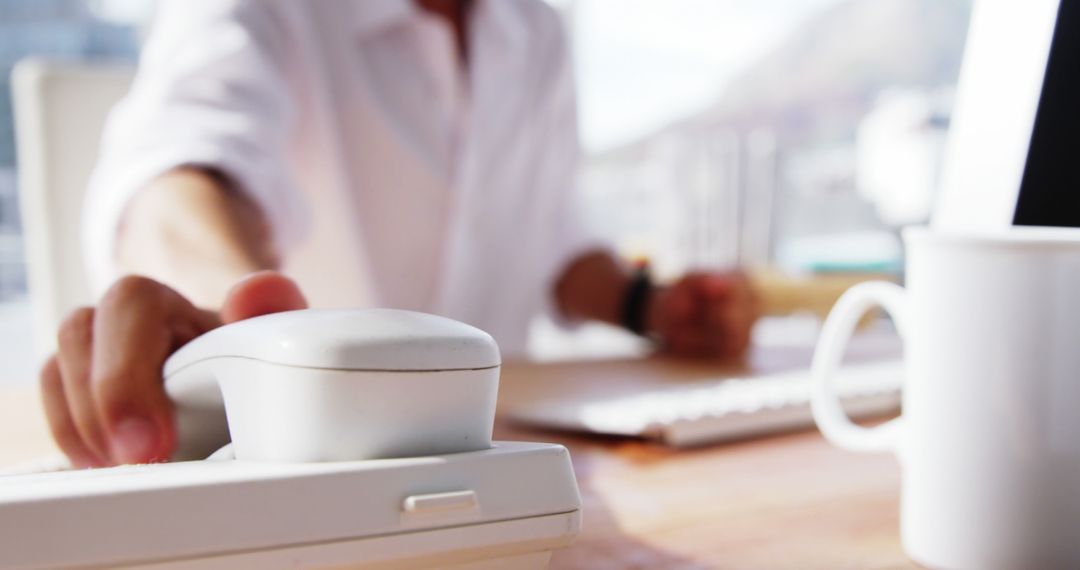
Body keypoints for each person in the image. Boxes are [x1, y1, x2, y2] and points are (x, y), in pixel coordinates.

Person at [41, 0, 758, 468]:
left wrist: (651, 306)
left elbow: (552, 232)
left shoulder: (536, 29)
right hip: (319, 465)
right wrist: (241, 322)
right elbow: (179, 175)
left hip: (502, 456)